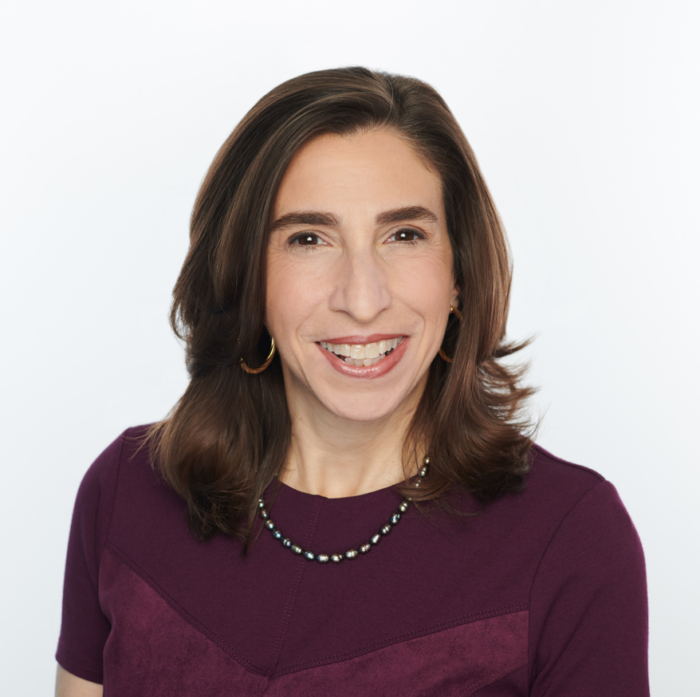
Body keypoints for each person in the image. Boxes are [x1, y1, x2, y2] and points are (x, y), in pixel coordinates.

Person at [55, 67, 649, 696]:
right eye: (309, 239)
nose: (362, 301)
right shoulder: (127, 491)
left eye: (404, 235)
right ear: (245, 278)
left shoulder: (572, 539)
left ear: (459, 274)